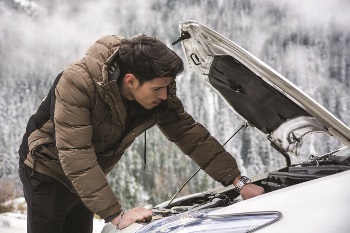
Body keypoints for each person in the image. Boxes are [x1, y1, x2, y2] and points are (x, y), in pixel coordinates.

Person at [18, 34, 264, 232]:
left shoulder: (158, 86)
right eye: (158, 89)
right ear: (131, 81)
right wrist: (117, 215)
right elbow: (76, 155)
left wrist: (238, 181)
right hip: (46, 169)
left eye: (167, 87)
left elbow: (189, 134)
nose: (164, 96)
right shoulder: (77, 83)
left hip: (87, 173)